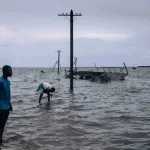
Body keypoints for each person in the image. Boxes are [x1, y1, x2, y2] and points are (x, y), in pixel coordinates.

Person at [0, 65, 13, 144]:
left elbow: (7, 95)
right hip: (1, 108)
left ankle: (0, 140)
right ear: (4, 71)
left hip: (6, 108)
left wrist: (10, 105)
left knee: (2, 126)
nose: (11, 72)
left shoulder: (8, 82)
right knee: (1, 126)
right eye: (10, 70)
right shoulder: (0, 81)